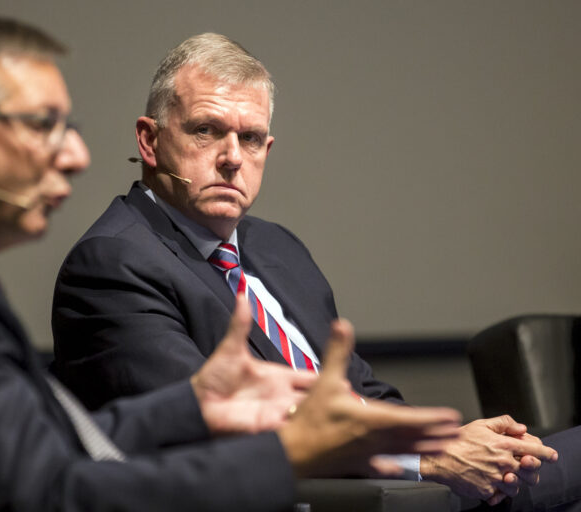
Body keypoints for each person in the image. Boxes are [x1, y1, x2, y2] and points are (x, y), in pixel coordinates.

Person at [0, 14, 465, 512]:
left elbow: (42, 444)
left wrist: (192, 405)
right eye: (43, 125)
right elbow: (49, 493)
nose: (74, 155)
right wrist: (286, 455)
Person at [51, 33, 580, 509]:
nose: (232, 158)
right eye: (207, 131)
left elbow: (363, 393)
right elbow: (209, 432)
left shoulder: (276, 247)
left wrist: (455, 444)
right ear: (149, 140)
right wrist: (425, 459)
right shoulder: (112, 264)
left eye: (251, 138)